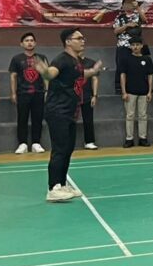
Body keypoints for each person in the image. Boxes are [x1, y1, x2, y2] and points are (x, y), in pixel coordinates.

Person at [35, 28, 102, 202]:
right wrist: (44, 71)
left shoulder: (76, 61)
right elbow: (51, 73)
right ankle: (53, 188)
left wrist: (93, 70)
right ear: (68, 41)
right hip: (58, 111)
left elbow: (80, 74)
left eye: (83, 38)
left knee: (68, 149)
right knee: (59, 149)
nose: (83, 41)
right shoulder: (61, 59)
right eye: (79, 38)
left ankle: (62, 184)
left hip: (71, 111)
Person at [8, 32, 47, 154]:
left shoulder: (41, 57)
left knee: (38, 118)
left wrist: (47, 90)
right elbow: (13, 76)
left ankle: (36, 143)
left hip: (38, 92)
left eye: (31, 40)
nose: (29, 43)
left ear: (35, 43)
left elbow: (46, 75)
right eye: (26, 40)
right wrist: (13, 93)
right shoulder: (16, 59)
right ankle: (22, 143)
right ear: (21, 44)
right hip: (22, 93)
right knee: (22, 118)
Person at [120, 38, 153, 148]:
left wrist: (149, 91)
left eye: (137, 45)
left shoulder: (147, 59)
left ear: (141, 46)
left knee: (143, 115)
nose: (135, 47)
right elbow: (123, 75)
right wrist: (124, 92)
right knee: (130, 115)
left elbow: (150, 76)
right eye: (133, 45)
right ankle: (129, 139)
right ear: (130, 46)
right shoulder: (126, 59)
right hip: (130, 92)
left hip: (144, 92)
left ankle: (142, 138)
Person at [112, 0, 144, 95]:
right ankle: (119, 87)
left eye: (130, 4)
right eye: (125, 4)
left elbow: (145, 19)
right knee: (121, 66)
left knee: (137, 66)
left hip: (136, 45)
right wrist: (127, 25)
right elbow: (116, 31)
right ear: (122, 6)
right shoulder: (119, 17)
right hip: (123, 45)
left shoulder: (137, 15)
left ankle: (137, 86)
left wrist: (138, 7)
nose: (128, 6)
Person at [79, 55, 100, 150]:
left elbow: (95, 79)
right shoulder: (69, 62)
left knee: (88, 119)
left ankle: (89, 141)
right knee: (69, 120)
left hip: (87, 95)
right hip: (71, 96)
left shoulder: (91, 62)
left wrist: (94, 95)